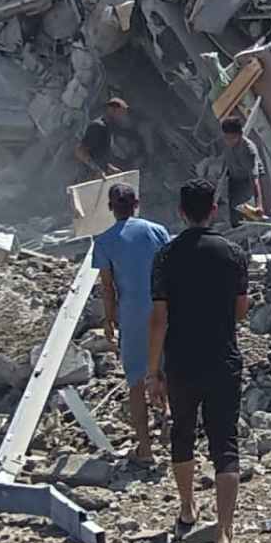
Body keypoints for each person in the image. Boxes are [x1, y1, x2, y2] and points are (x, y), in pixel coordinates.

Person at [145, 177, 250, 543]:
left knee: (183, 433)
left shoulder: (166, 256)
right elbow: (242, 310)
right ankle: (223, 536)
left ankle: (188, 508)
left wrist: (152, 371)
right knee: (225, 443)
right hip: (222, 357)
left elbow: (159, 318)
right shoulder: (233, 254)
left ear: (180, 212)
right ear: (214, 210)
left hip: (181, 361)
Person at [90, 182, 171, 467]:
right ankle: (169, 417)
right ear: (136, 204)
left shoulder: (104, 241)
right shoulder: (157, 231)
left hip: (133, 316)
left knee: (136, 383)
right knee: (165, 370)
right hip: (163, 310)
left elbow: (108, 287)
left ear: (110, 208)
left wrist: (109, 319)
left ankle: (145, 449)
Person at [219, 116, 263, 227]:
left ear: (240, 134)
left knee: (247, 214)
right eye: (226, 138)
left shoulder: (248, 150)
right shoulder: (227, 143)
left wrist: (259, 205)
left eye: (232, 138)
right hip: (234, 180)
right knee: (234, 215)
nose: (229, 141)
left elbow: (255, 180)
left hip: (247, 182)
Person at [77, 98, 135, 178]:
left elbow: (98, 154)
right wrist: (96, 169)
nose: (123, 116)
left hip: (100, 177)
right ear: (112, 110)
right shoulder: (98, 126)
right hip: (87, 177)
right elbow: (80, 151)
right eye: (121, 112)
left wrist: (108, 168)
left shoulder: (108, 127)